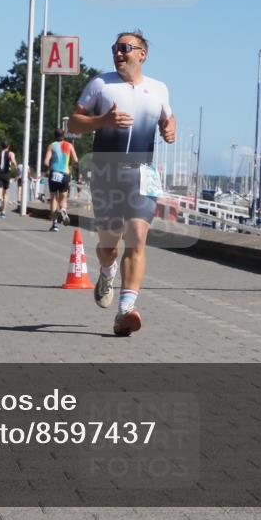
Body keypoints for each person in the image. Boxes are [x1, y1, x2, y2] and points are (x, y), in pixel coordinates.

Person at [68, 30, 176, 336]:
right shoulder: (100, 84)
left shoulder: (158, 89)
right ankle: (107, 270)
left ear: (142, 54)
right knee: (108, 245)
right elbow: (74, 122)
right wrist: (102, 122)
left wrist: (170, 130)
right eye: (115, 47)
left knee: (138, 239)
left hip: (143, 171)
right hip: (107, 171)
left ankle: (126, 310)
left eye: (125, 47)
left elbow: (169, 118)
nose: (118, 52)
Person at [43, 128, 80, 232]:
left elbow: (46, 162)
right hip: (65, 173)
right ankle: (63, 209)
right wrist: (70, 166)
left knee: (54, 197)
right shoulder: (69, 145)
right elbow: (76, 160)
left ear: (55, 136)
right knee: (63, 198)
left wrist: (47, 169)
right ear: (64, 136)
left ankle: (54, 224)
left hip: (54, 173)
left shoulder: (52, 145)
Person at [0, 140, 16, 219]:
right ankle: (3, 212)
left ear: (1, 146)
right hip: (7, 174)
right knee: (6, 194)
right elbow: (14, 162)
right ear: (8, 146)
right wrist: (15, 168)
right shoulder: (11, 153)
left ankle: (0, 200)